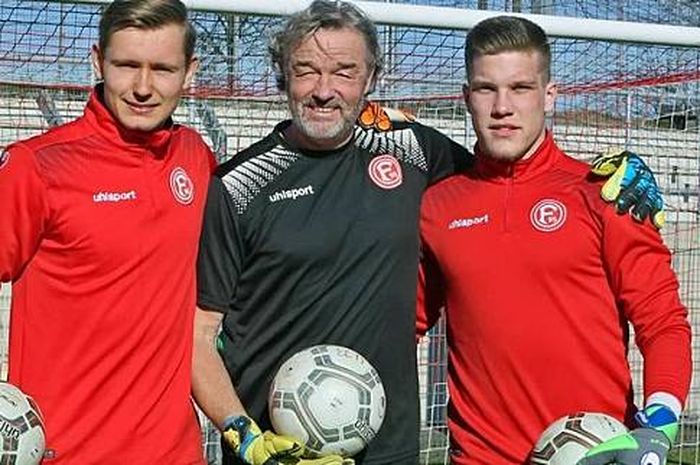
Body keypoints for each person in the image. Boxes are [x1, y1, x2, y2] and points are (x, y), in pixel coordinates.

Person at [192, 2, 664, 465]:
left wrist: (614, 174)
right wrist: (244, 436)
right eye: (306, 70)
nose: (324, 89)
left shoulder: (414, 150)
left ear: (370, 79)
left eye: (344, 71)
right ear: (281, 75)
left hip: (388, 445)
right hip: (278, 448)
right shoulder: (237, 185)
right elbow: (198, 334)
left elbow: (501, 177)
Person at [416, 15, 691, 465]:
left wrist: (660, 420)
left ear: (549, 96)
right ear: (466, 98)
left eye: (520, 88)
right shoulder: (438, 206)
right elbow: (402, 324)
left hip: (595, 455)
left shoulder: (604, 193)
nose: (502, 106)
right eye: (486, 89)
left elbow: (662, 322)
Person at [0, 1, 214, 463]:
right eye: (126, 65)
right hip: (70, 451)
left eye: (162, 69)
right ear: (98, 61)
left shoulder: (196, 158)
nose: (142, 87)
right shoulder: (36, 167)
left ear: (189, 71)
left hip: (176, 453)